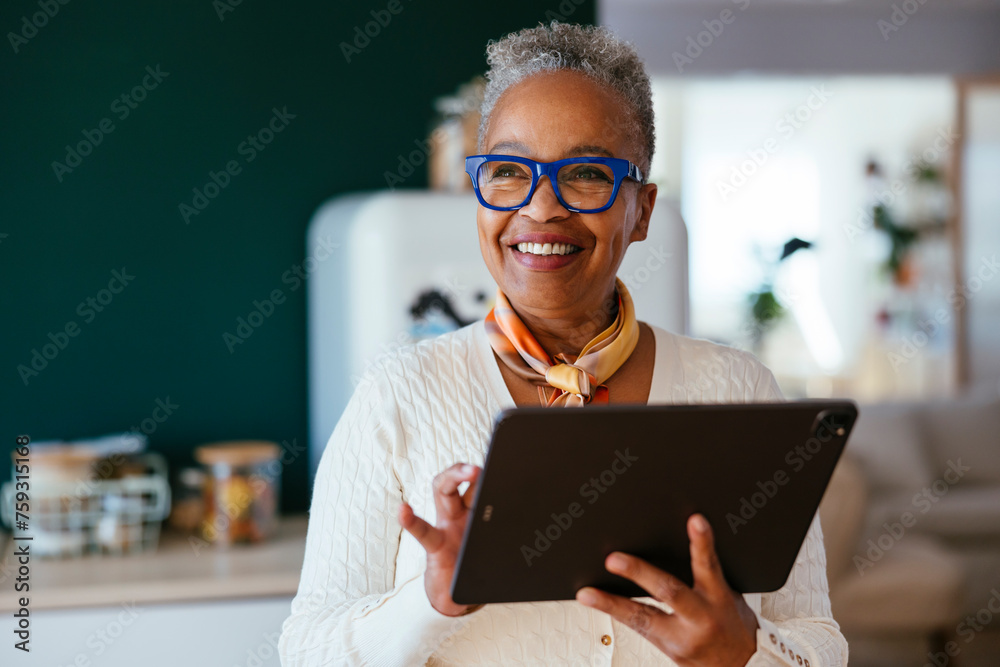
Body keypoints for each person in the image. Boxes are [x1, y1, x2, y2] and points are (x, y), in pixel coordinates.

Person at [279, 21, 847, 667]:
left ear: (642, 210)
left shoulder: (738, 390)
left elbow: (817, 641)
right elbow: (308, 653)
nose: (541, 207)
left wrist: (742, 652)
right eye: (506, 170)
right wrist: (431, 600)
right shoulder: (398, 396)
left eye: (584, 173)